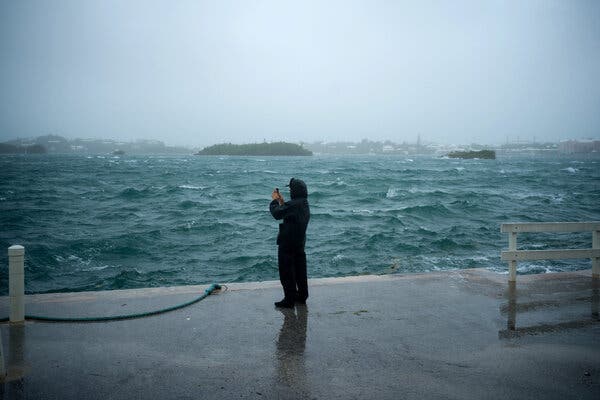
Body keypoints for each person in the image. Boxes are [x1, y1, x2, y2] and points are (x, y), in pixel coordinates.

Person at [270, 178, 310, 308]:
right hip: (299, 243)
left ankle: (289, 300)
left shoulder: (294, 205)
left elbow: (277, 214)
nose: (290, 191)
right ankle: (302, 296)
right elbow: (289, 212)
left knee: (287, 272)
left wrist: (275, 200)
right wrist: (282, 202)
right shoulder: (303, 203)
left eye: (291, 189)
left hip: (287, 243)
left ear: (295, 191)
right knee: (300, 270)